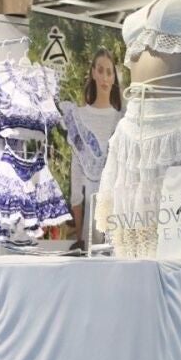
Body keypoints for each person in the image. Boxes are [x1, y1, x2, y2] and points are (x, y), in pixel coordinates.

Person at [60, 48, 123, 237]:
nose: (105, 77)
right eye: (101, 71)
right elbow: (76, 178)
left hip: (118, 213)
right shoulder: (78, 117)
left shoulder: (122, 120)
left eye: (109, 72)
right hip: (91, 217)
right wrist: (79, 231)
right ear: (94, 73)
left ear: (114, 78)